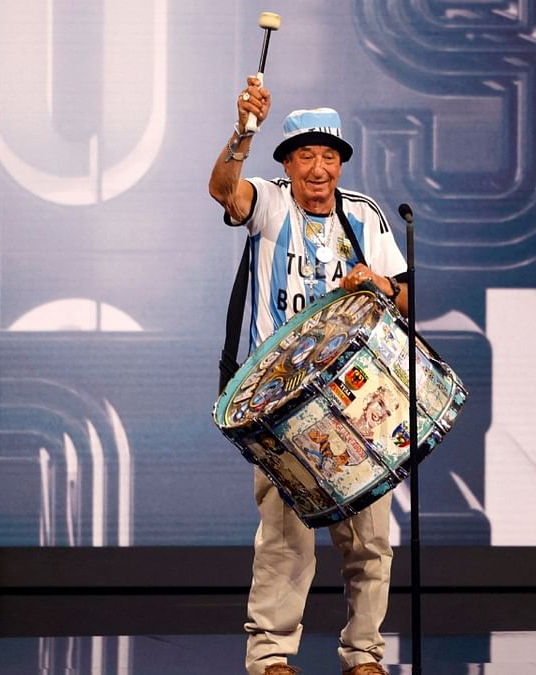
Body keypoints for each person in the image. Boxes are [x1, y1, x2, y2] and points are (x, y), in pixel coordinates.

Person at [208, 75, 407, 675]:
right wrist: (243, 131)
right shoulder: (268, 203)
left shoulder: (365, 215)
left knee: (370, 541)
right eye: (305, 157)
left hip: (357, 403)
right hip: (282, 403)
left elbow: (402, 297)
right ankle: (270, 656)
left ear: (340, 162)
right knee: (285, 540)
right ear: (288, 163)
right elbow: (223, 191)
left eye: (328, 157)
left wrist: (377, 282)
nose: (318, 170)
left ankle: (364, 654)